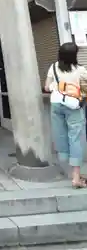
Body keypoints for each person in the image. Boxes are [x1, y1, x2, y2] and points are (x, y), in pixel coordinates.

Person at [44, 42, 87, 188]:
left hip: (56, 104)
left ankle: (70, 172)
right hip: (74, 105)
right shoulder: (80, 70)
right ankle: (76, 178)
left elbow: (46, 87)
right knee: (76, 138)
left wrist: (58, 88)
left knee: (61, 135)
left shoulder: (53, 67)